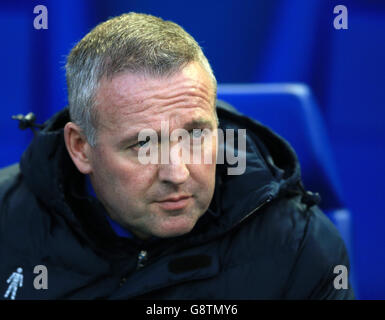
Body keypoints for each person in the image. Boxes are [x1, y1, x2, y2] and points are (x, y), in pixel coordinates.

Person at [0, 12, 354, 299]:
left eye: (196, 135)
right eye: (142, 145)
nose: (177, 172)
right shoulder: (7, 217)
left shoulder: (299, 246)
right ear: (81, 148)